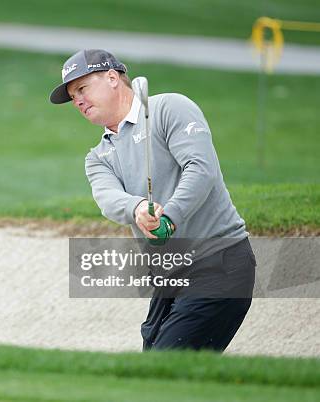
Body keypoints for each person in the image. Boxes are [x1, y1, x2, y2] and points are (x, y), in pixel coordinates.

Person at [49, 49, 256, 352]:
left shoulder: (169, 108)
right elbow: (108, 198)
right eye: (72, 96)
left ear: (111, 78)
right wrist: (136, 209)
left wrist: (169, 217)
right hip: (169, 276)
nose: (77, 100)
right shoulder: (98, 157)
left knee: (167, 366)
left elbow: (201, 169)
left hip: (219, 262)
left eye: (82, 88)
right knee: (155, 372)